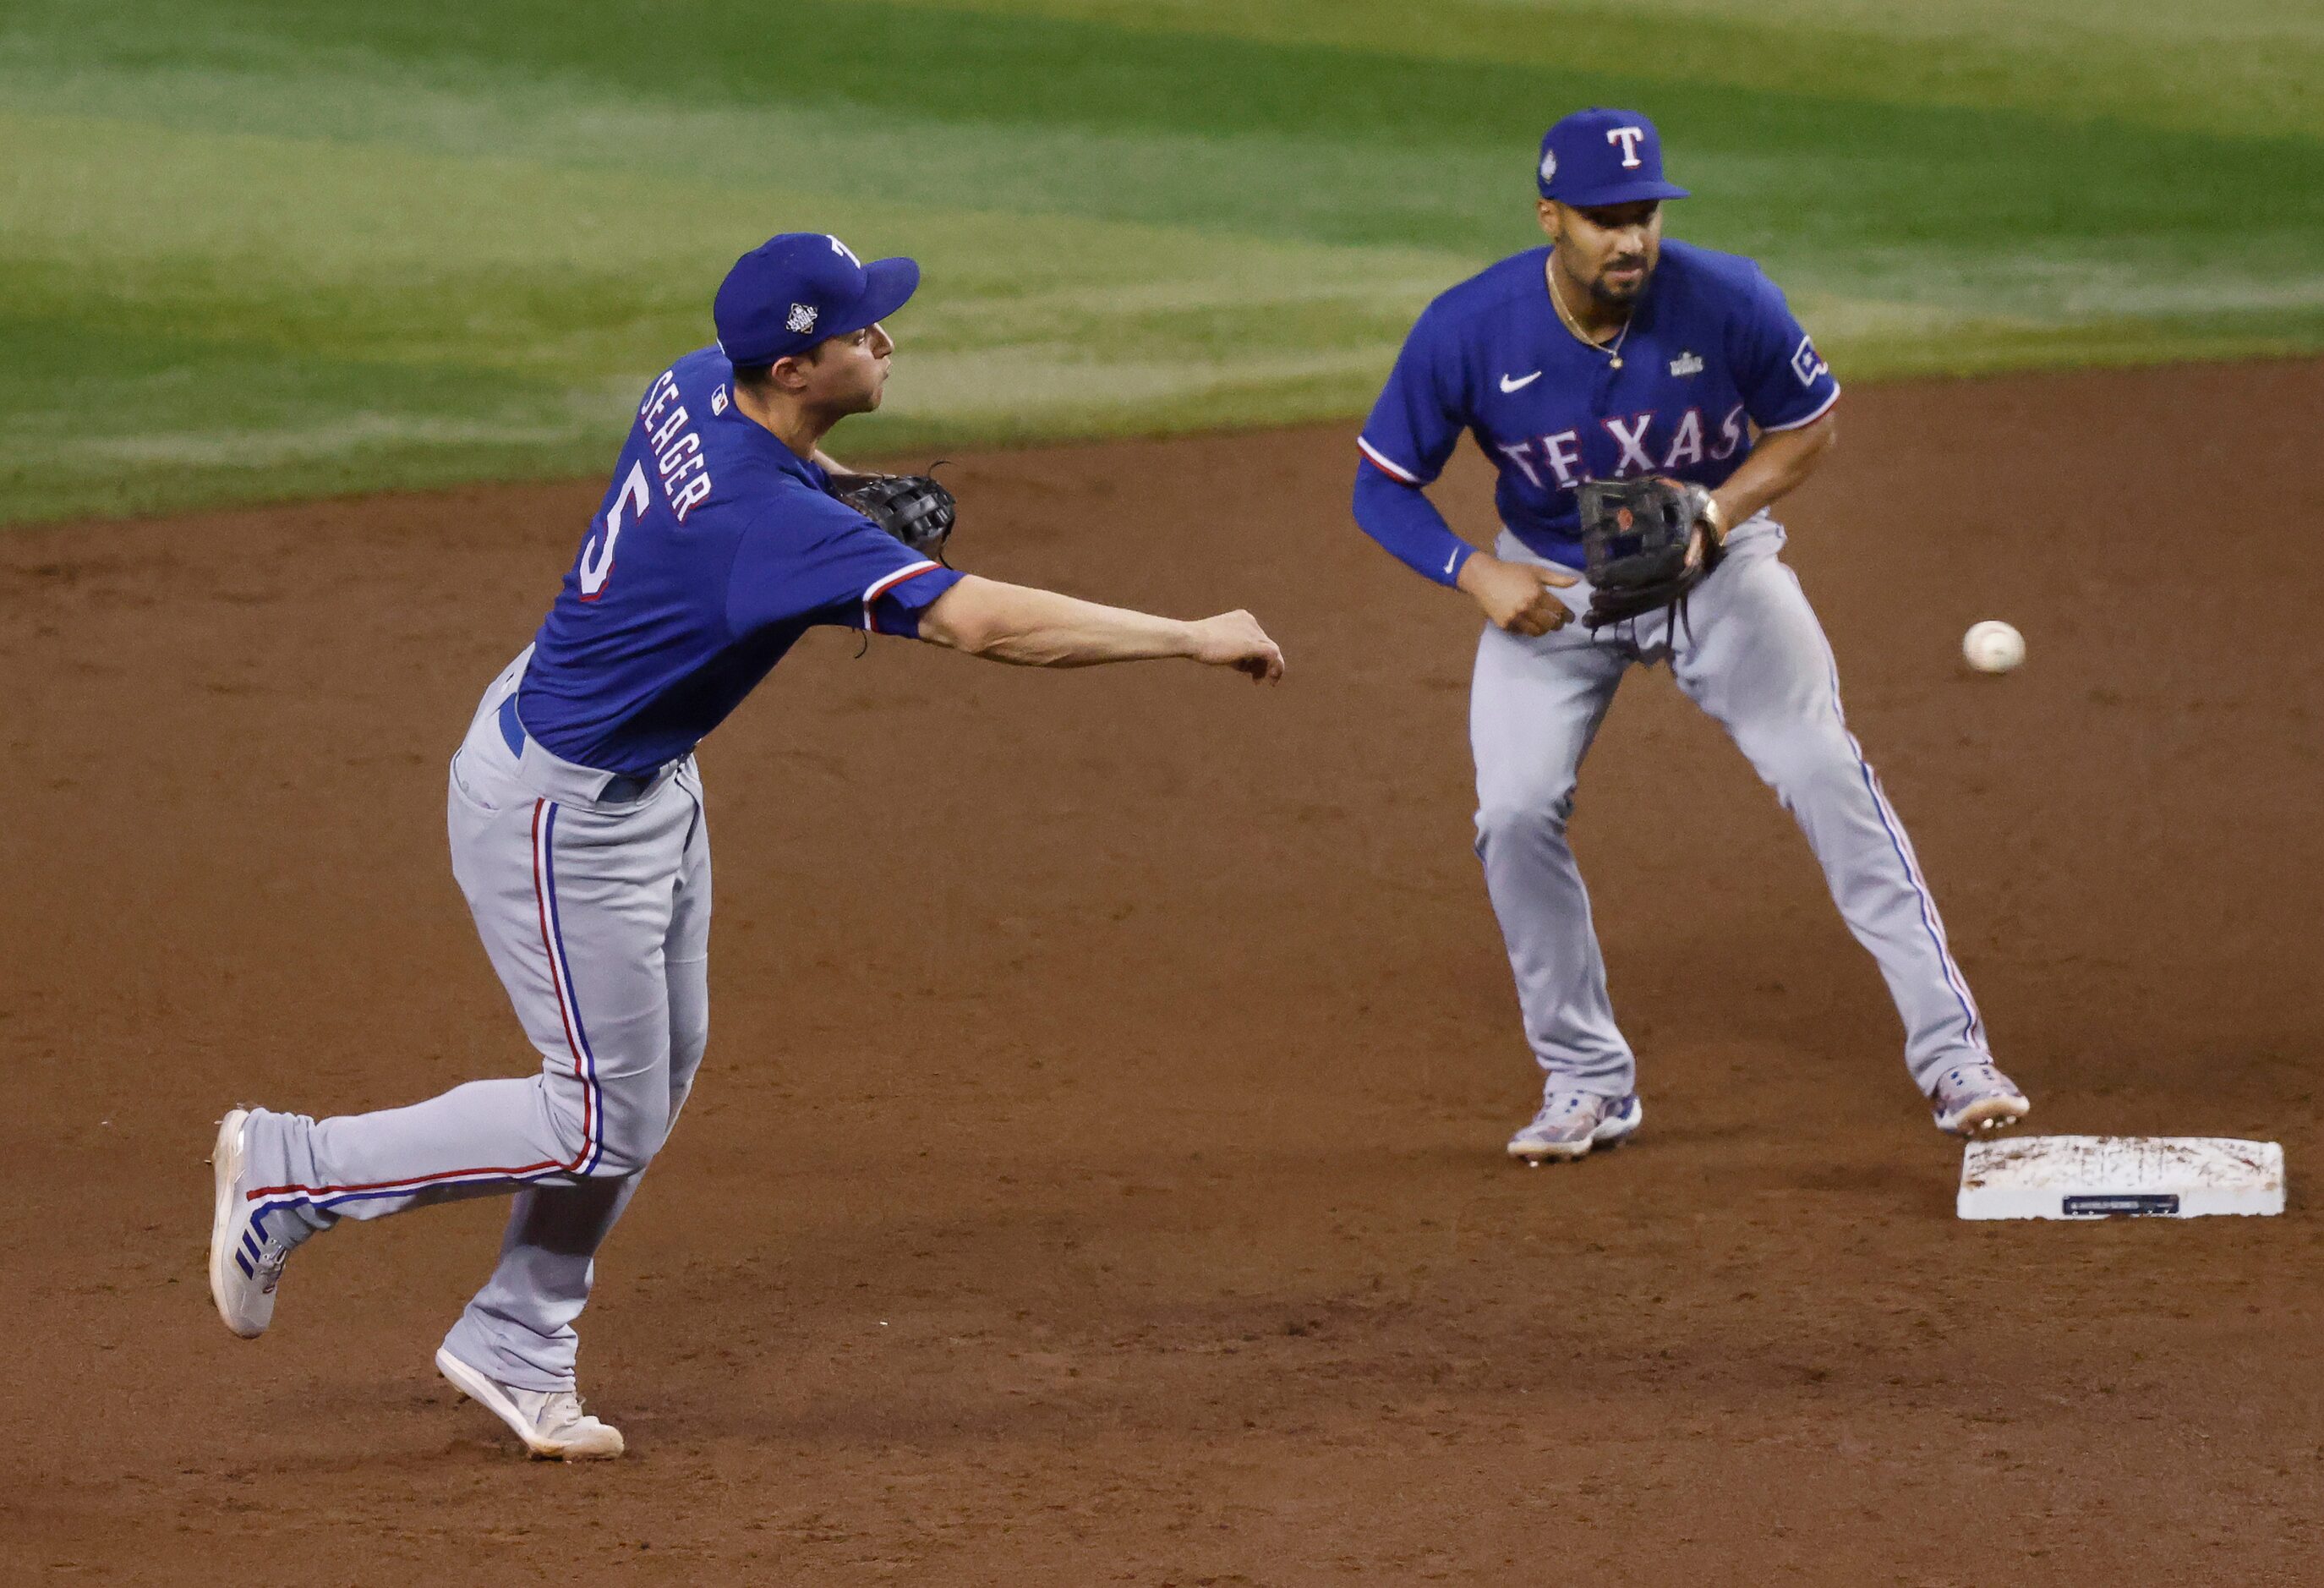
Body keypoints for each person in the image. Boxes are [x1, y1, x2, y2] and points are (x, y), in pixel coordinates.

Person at [207, 232, 1284, 1458]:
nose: (886, 338)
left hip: (627, 764)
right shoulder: (763, 527)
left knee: (657, 1074)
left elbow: (769, 476)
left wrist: (831, 488)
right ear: (792, 362)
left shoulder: (695, 379)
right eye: (860, 329)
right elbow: (985, 624)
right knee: (595, 1118)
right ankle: (295, 1169)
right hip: (560, 816)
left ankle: (517, 1331)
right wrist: (1190, 635)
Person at [1349, 108, 2027, 1165]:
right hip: (1558, 590)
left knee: (1824, 771)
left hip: (1718, 575)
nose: (1631, 240)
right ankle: (1585, 1081)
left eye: (1645, 216)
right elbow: (1381, 487)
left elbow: (1809, 425)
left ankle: (1955, 1059)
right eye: (1604, 219)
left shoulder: (1728, 297)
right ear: (1550, 217)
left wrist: (1719, 511)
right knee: (1514, 813)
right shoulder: (1467, 328)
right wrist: (1474, 571)